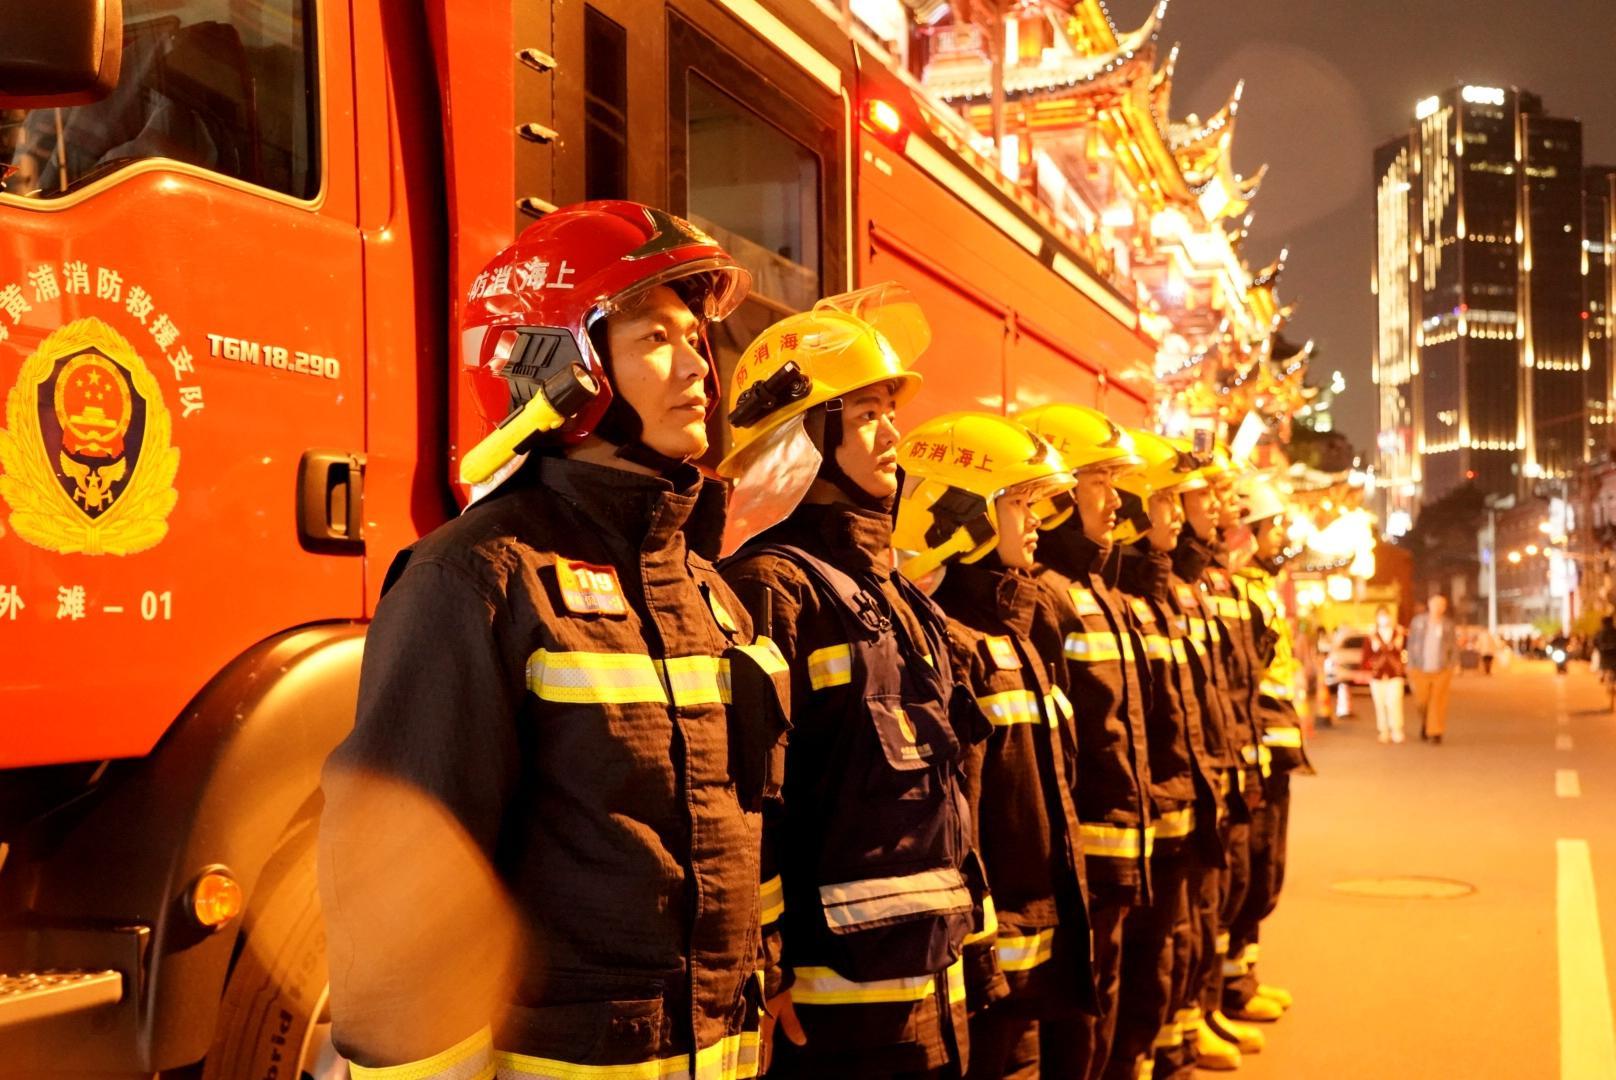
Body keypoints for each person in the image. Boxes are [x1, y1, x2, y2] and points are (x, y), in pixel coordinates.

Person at [318, 202, 783, 1079]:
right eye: (656, 339)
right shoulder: (477, 579)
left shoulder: (709, 593)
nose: (700, 367)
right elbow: (403, 893)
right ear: (560, 370)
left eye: (697, 338)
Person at [718, 288, 989, 1080]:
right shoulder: (772, 587)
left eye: (889, 411)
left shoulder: (895, 592)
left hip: (924, 980)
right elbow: (748, 806)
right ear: (802, 437)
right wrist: (765, 967)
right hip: (831, 1005)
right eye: (867, 413)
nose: (893, 434)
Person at [895, 411, 1095, 1080]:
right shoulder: (955, 644)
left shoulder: (1016, 631)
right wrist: (982, 950)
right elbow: (960, 822)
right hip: (993, 948)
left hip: (1030, 933)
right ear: (962, 517)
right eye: (1018, 503)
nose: (1036, 521)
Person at [1016, 403, 1151, 1080]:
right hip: (1084, 851)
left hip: (1115, 837)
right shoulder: (1049, 596)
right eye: (1099, 482)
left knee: (1103, 996)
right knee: (1074, 1018)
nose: (1116, 501)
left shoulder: (1096, 587)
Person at [1107, 430, 1227, 1080]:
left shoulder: (1171, 592)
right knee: (1135, 965)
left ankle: (1171, 1046)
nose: (1180, 515)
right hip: (1137, 824)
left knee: (1178, 941)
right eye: (1167, 500)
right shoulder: (1121, 599)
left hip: (1180, 804)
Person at [1224, 475, 1305, 1028]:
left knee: (1265, 868)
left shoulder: (1261, 590)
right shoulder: (1241, 593)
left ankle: (1243, 976)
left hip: (1277, 745)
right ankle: (1232, 985)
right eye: (1274, 525)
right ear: (1248, 531)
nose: (1282, 536)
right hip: (1260, 748)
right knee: (1250, 868)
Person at [1407, 595, 1459, 745]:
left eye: (1441, 605)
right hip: (1420, 667)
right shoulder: (1418, 622)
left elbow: (1453, 645)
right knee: (1421, 701)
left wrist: (1453, 664)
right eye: (1435, 604)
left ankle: (1435, 732)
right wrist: (1409, 663)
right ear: (1429, 605)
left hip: (1442, 668)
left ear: (1444, 607)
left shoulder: (1447, 624)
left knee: (1437, 702)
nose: (1438, 607)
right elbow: (1411, 643)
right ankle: (1426, 723)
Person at [1363, 606, 1407, 744]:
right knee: (1380, 703)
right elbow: (1365, 656)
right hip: (1377, 675)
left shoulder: (1399, 634)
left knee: (1394, 702)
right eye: (1381, 615)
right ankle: (1384, 731)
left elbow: (1406, 651)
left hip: (1395, 674)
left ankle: (1396, 730)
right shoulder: (1371, 636)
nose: (1384, 618)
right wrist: (1369, 669)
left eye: (1386, 615)